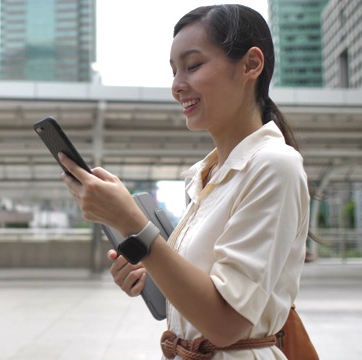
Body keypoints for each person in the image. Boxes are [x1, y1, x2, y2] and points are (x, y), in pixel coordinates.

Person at [58, 4, 310, 359]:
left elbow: (226, 324)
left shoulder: (274, 165)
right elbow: (201, 297)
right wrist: (151, 274)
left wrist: (133, 223)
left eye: (193, 66)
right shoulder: (206, 175)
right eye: (174, 71)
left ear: (251, 64)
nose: (177, 86)